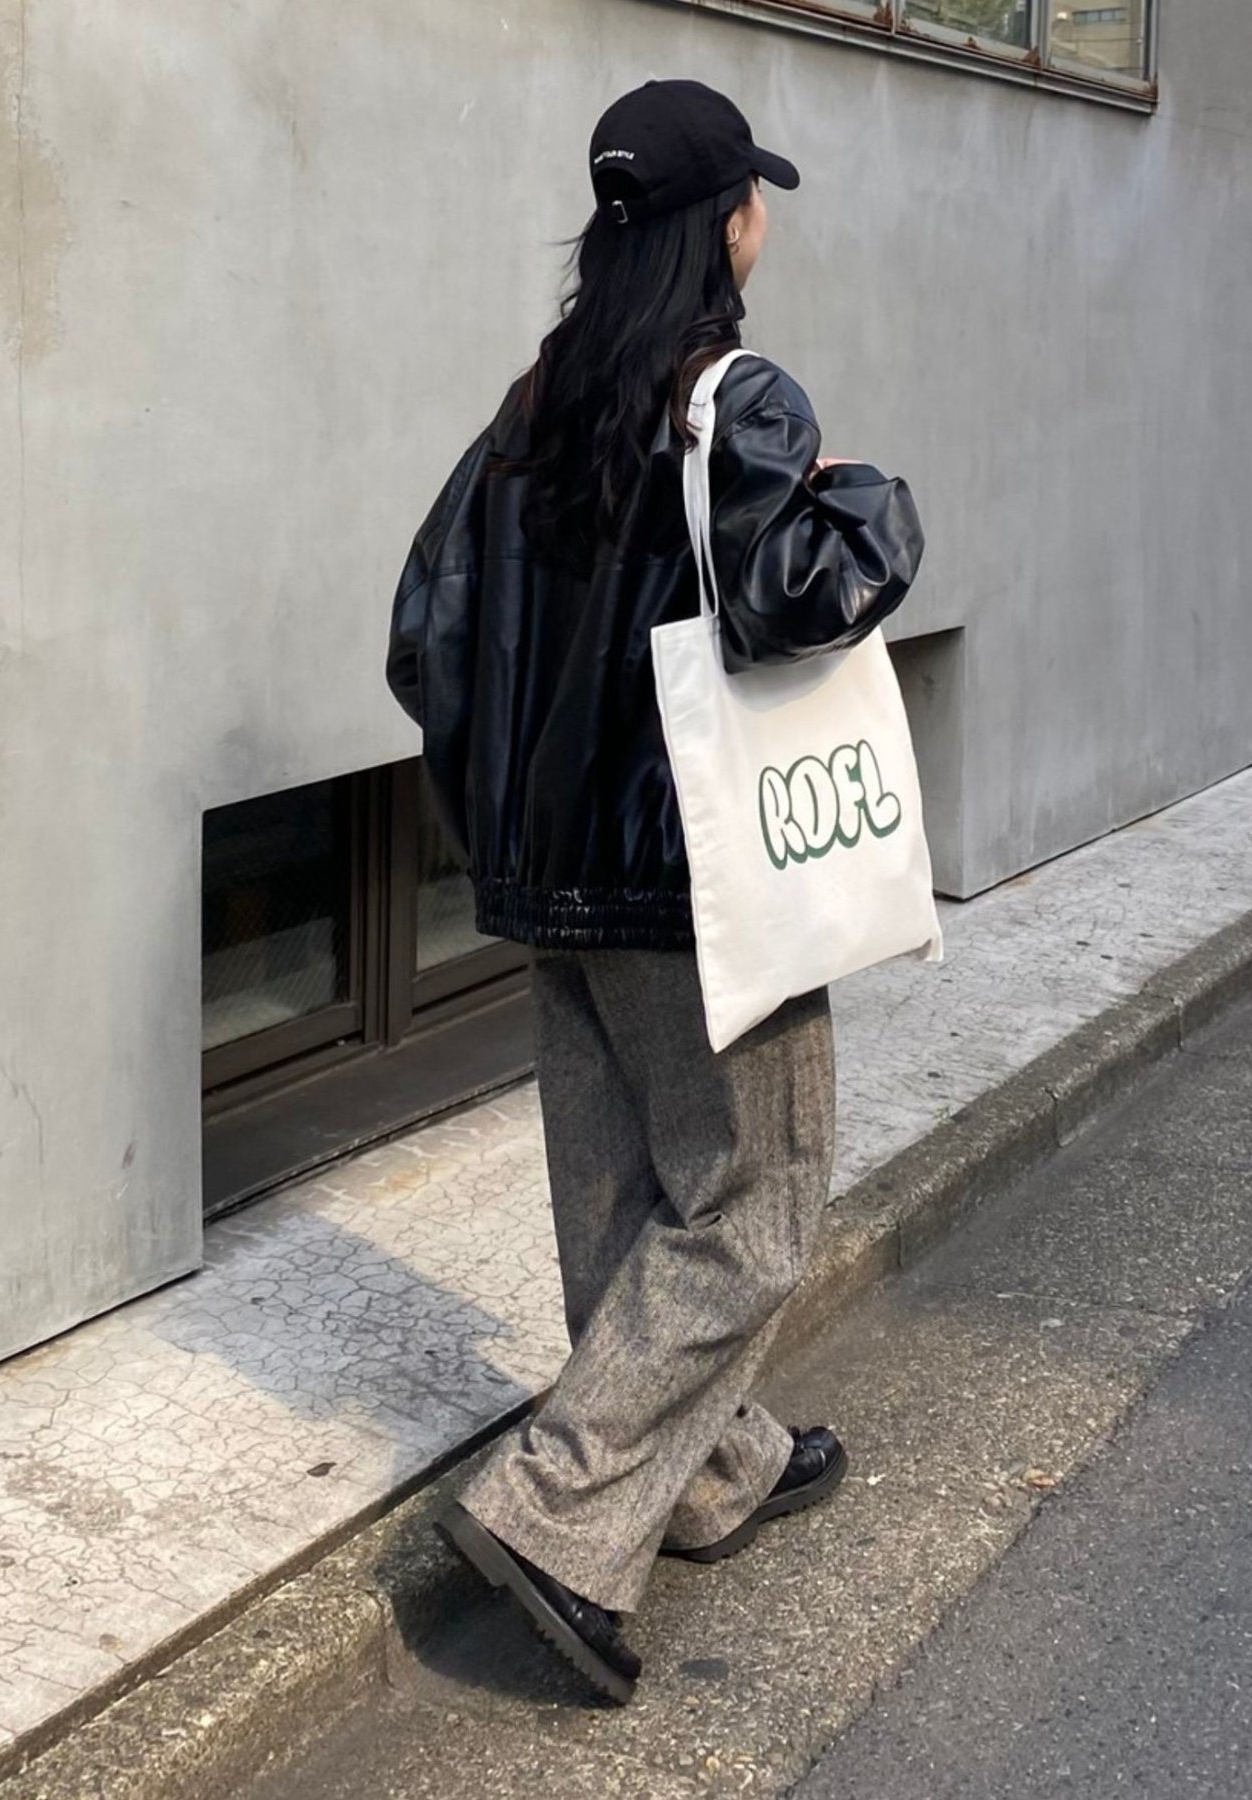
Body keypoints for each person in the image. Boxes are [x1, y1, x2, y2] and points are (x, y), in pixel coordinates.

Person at [384, 78, 925, 1705]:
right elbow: (807, 595)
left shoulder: (530, 409)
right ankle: (557, 1517)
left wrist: (510, 819)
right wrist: (865, 495)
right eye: (755, 197)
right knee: (751, 1209)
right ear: (721, 226)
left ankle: (708, 1474)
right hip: (699, 883)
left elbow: (423, 640)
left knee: (621, 1201)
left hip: (547, 879)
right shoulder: (734, 400)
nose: (764, 220)